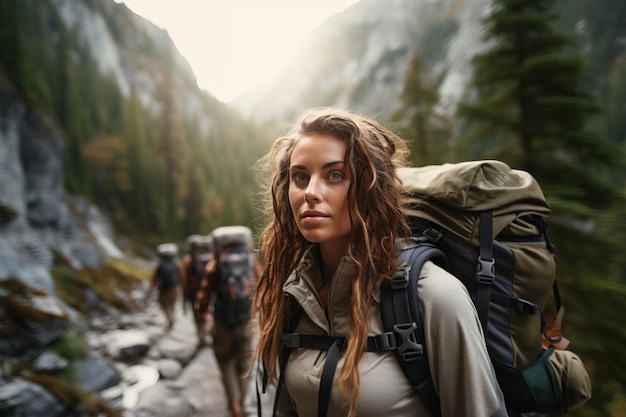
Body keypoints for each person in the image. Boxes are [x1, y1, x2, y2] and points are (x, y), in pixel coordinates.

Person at [251, 107, 509, 417]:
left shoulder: (434, 296)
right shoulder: (294, 294)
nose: (310, 192)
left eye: (335, 175)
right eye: (300, 177)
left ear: (370, 188)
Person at [195, 226, 263, 417]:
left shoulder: (216, 263)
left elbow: (204, 294)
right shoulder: (251, 261)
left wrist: (202, 313)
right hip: (245, 323)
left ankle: (234, 405)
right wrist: (254, 310)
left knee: (225, 363)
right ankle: (242, 401)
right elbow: (263, 286)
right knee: (243, 364)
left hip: (222, 323)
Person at [181, 234, 214, 346]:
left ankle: (202, 339)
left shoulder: (189, 261)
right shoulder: (212, 258)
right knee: (208, 315)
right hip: (210, 293)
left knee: (197, 318)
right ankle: (211, 335)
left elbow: (185, 281)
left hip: (194, 293)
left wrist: (184, 297)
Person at [148, 243, 181, 331]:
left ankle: (170, 319)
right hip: (174, 288)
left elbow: (155, 280)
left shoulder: (160, 266)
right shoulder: (175, 265)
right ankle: (172, 318)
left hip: (163, 289)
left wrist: (150, 292)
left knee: (164, 304)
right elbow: (180, 277)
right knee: (172, 304)